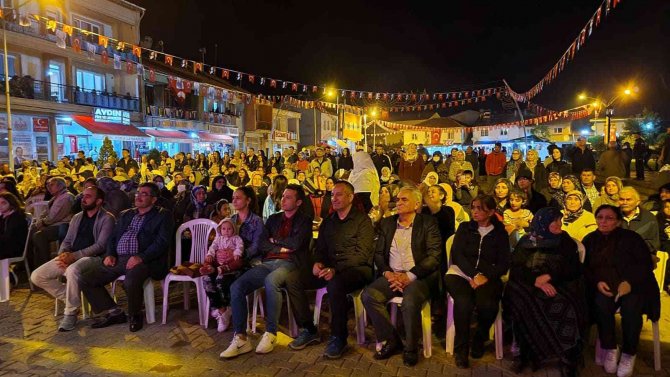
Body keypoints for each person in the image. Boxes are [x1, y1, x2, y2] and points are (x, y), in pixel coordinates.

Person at [220, 185, 312, 358]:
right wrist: (282, 246)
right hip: (269, 262)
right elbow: (263, 243)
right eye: (283, 196)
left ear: (299, 202)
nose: (282, 200)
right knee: (237, 286)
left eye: (288, 197)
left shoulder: (304, 220)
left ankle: (271, 333)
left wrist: (275, 241)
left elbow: (297, 244)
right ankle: (240, 337)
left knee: (271, 281)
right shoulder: (273, 219)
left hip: (291, 264)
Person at [285, 181, 374, 358]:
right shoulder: (329, 222)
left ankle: (338, 338)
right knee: (293, 278)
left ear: (350, 197)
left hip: (357, 269)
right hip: (330, 269)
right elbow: (321, 250)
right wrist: (317, 263)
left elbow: (362, 254)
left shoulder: (362, 220)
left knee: (335, 284)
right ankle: (309, 329)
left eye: (339, 194)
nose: (334, 198)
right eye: (332, 195)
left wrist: (335, 268)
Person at [362, 187, 442, 366]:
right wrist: (388, 273)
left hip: (419, 277)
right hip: (392, 274)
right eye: (397, 199)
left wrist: (410, 276)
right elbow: (379, 255)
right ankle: (392, 340)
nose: (398, 203)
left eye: (404, 200)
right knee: (368, 296)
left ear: (416, 204)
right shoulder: (388, 223)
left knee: (410, 301)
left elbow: (434, 257)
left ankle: (411, 348)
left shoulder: (428, 223)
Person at [79, 182, 174, 332]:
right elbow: (112, 237)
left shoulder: (163, 215)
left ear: (154, 199)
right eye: (138, 193)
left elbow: (161, 242)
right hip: (119, 258)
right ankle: (114, 312)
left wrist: (140, 257)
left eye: (144, 194)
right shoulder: (126, 214)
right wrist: (110, 254)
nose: (139, 196)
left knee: (131, 280)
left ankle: (135, 315)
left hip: (146, 260)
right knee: (86, 278)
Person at [504, 207, 586, 377]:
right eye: (554, 220)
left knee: (564, 305)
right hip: (529, 284)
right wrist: (536, 281)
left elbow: (573, 268)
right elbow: (517, 268)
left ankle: (568, 357)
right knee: (522, 301)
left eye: (559, 220)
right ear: (542, 223)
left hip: (559, 283)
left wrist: (549, 277)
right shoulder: (527, 241)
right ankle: (525, 353)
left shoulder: (565, 241)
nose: (559, 224)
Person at [582, 205, 660, 377]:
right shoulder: (590, 239)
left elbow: (645, 265)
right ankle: (610, 348)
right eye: (600, 217)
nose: (603, 221)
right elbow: (585, 268)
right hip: (605, 285)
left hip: (634, 285)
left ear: (618, 221)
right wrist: (597, 282)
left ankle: (628, 353)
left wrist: (629, 283)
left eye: (609, 218)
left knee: (631, 309)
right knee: (600, 304)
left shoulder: (632, 238)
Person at [30, 186, 115, 331]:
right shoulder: (77, 217)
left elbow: (100, 245)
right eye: (83, 196)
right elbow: (67, 240)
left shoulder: (107, 218)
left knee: (72, 270)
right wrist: (63, 254)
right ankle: (71, 297)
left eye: (88, 196)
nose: (84, 199)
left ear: (99, 201)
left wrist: (73, 257)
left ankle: (71, 312)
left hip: (93, 258)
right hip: (71, 256)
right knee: (37, 276)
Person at [444, 195, 510, 368]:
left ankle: (479, 339)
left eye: (480, 208)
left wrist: (484, 276)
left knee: (488, 304)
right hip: (461, 273)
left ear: (491, 212)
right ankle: (461, 349)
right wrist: (474, 275)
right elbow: (457, 255)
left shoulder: (499, 233)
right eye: (473, 207)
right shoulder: (465, 228)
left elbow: (504, 263)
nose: (474, 211)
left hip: (488, 276)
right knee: (463, 302)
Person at [201, 218, 244, 333]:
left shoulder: (236, 238)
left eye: (229, 229)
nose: (226, 231)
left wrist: (236, 253)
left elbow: (240, 247)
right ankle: (222, 310)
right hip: (217, 265)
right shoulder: (218, 239)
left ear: (233, 230)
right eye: (224, 229)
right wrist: (210, 255)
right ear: (220, 230)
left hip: (230, 267)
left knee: (221, 280)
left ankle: (225, 308)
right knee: (206, 279)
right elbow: (212, 248)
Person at [31, 177, 75, 268]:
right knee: (30, 231)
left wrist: (42, 223)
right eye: (47, 185)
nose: (48, 187)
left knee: (39, 236)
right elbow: (45, 213)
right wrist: (40, 222)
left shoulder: (66, 197)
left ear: (60, 186)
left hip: (63, 226)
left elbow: (54, 217)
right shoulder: (56, 197)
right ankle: (31, 263)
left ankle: (44, 265)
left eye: (51, 185)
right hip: (54, 224)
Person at [618, 186, 660, 254]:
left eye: (628, 200)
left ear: (637, 202)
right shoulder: (612, 216)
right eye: (621, 199)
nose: (624, 202)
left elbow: (654, 243)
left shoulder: (649, 218)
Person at [230, 187, 265, 263]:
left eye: (238, 198)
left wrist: (239, 254)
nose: (234, 201)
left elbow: (256, 247)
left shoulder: (257, 221)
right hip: (232, 258)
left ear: (248, 200)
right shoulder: (231, 219)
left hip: (250, 260)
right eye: (233, 198)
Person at [0, 192, 28, 260]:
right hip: (4, 245)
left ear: (11, 203)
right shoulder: (3, 217)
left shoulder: (17, 217)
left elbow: (9, 237)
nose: (0, 206)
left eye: (3, 203)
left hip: (14, 248)